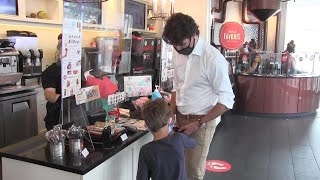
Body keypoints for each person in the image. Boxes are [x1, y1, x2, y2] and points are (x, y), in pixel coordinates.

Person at [162, 13, 235, 180]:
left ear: (195, 34)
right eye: (174, 45)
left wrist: (199, 123)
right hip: (179, 119)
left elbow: (227, 100)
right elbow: (177, 87)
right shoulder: (178, 52)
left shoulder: (213, 59)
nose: (179, 49)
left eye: (182, 44)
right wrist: (172, 111)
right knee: (178, 167)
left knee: (193, 172)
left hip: (202, 122)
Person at [136, 98, 197, 180]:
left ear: (146, 126)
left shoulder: (146, 151)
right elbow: (194, 143)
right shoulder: (180, 138)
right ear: (169, 121)